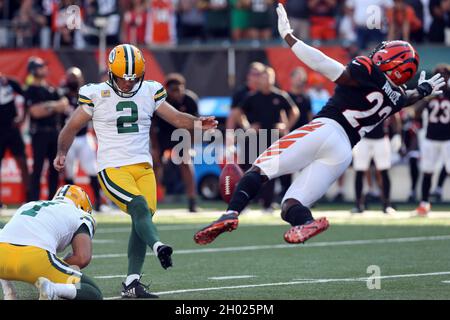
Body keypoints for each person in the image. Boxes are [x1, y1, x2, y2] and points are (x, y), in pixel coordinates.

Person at [193, 3, 445, 246]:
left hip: (325, 129)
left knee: (259, 170)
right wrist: (422, 91)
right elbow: (407, 98)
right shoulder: (398, 97)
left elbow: (324, 64)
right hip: (343, 152)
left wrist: (290, 38)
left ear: (388, 57)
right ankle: (307, 222)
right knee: (291, 204)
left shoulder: (366, 69)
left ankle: (230, 214)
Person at [54, 44, 217, 298]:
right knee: (140, 207)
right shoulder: (96, 94)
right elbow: (70, 127)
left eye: (133, 78)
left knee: (141, 221)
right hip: (113, 168)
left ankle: (131, 283)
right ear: (110, 72)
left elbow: (175, 118)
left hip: (143, 168)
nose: (128, 84)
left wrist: (198, 123)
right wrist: (62, 152)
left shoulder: (150, 90)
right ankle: (159, 246)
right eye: (123, 78)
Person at [0, 184, 102, 300]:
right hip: (34, 259)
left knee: (5, 238)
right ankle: (53, 289)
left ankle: (9, 292)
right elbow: (82, 258)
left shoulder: (30, 204)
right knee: (93, 292)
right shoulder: (80, 214)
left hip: (1, 257)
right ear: (83, 207)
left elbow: (7, 235)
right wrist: (62, 264)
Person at [239, 66, 299, 211]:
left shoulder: (279, 96)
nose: (266, 80)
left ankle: (267, 204)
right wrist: (248, 127)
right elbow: (239, 113)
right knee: (249, 170)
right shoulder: (251, 97)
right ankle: (245, 203)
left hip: (273, 137)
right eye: (263, 77)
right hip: (255, 139)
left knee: (270, 171)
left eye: (268, 77)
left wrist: (285, 126)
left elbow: (294, 111)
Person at [152, 73, 200, 212]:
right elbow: (151, 126)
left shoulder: (190, 100)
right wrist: (155, 148)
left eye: (180, 89)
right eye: (174, 89)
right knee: (155, 165)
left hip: (182, 135)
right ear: (167, 90)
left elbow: (195, 125)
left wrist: (189, 145)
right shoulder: (160, 101)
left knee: (186, 162)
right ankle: (151, 200)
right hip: (163, 134)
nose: (178, 93)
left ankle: (192, 200)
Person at [25, 57, 69, 201]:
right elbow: (35, 112)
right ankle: (33, 200)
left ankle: (52, 200)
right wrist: (54, 106)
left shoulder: (51, 88)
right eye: (40, 67)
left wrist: (47, 106)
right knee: (37, 168)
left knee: (54, 169)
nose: (44, 69)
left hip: (54, 132)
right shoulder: (31, 90)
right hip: (39, 133)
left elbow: (64, 104)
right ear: (33, 70)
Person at [61, 67, 101, 211]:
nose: (73, 80)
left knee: (92, 169)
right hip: (69, 138)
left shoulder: (85, 94)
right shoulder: (62, 96)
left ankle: (99, 203)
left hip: (84, 137)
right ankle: (69, 204)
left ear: (81, 79)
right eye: (70, 77)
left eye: (75, 77)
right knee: (69, 172)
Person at [414, 64, 450, 215]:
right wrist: (427, 96)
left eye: (445, 74)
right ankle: (424, 203)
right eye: (439, 74)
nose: (442, 77)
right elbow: (416, 112)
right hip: (431, 138)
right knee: (427, 171)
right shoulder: (431, 93)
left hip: (448, 139)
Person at [0, 73, 30, 205]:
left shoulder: (10, 82)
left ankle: (29, 198)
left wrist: (22, 118)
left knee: (22, 162)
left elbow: (28, 98)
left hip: (12, 130)